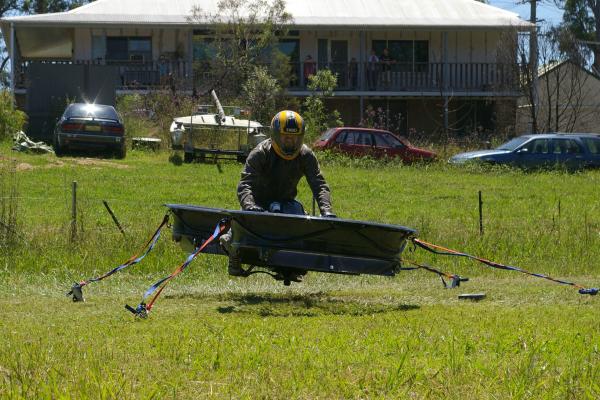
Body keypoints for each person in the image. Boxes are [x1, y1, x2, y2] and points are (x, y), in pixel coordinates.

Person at [223, 110, 336, 276]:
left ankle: (292, 262)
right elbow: (245, 184)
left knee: (300, 217)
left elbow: (319, 184)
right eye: (286, 137)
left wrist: (326, 211)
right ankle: (234, 248)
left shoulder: (306, 155)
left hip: (286, 205)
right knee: (245, 225)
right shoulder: (260, 153)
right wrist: (250, 206)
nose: (291, 142)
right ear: (276, 135)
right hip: (258, 207)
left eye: (295, 138)